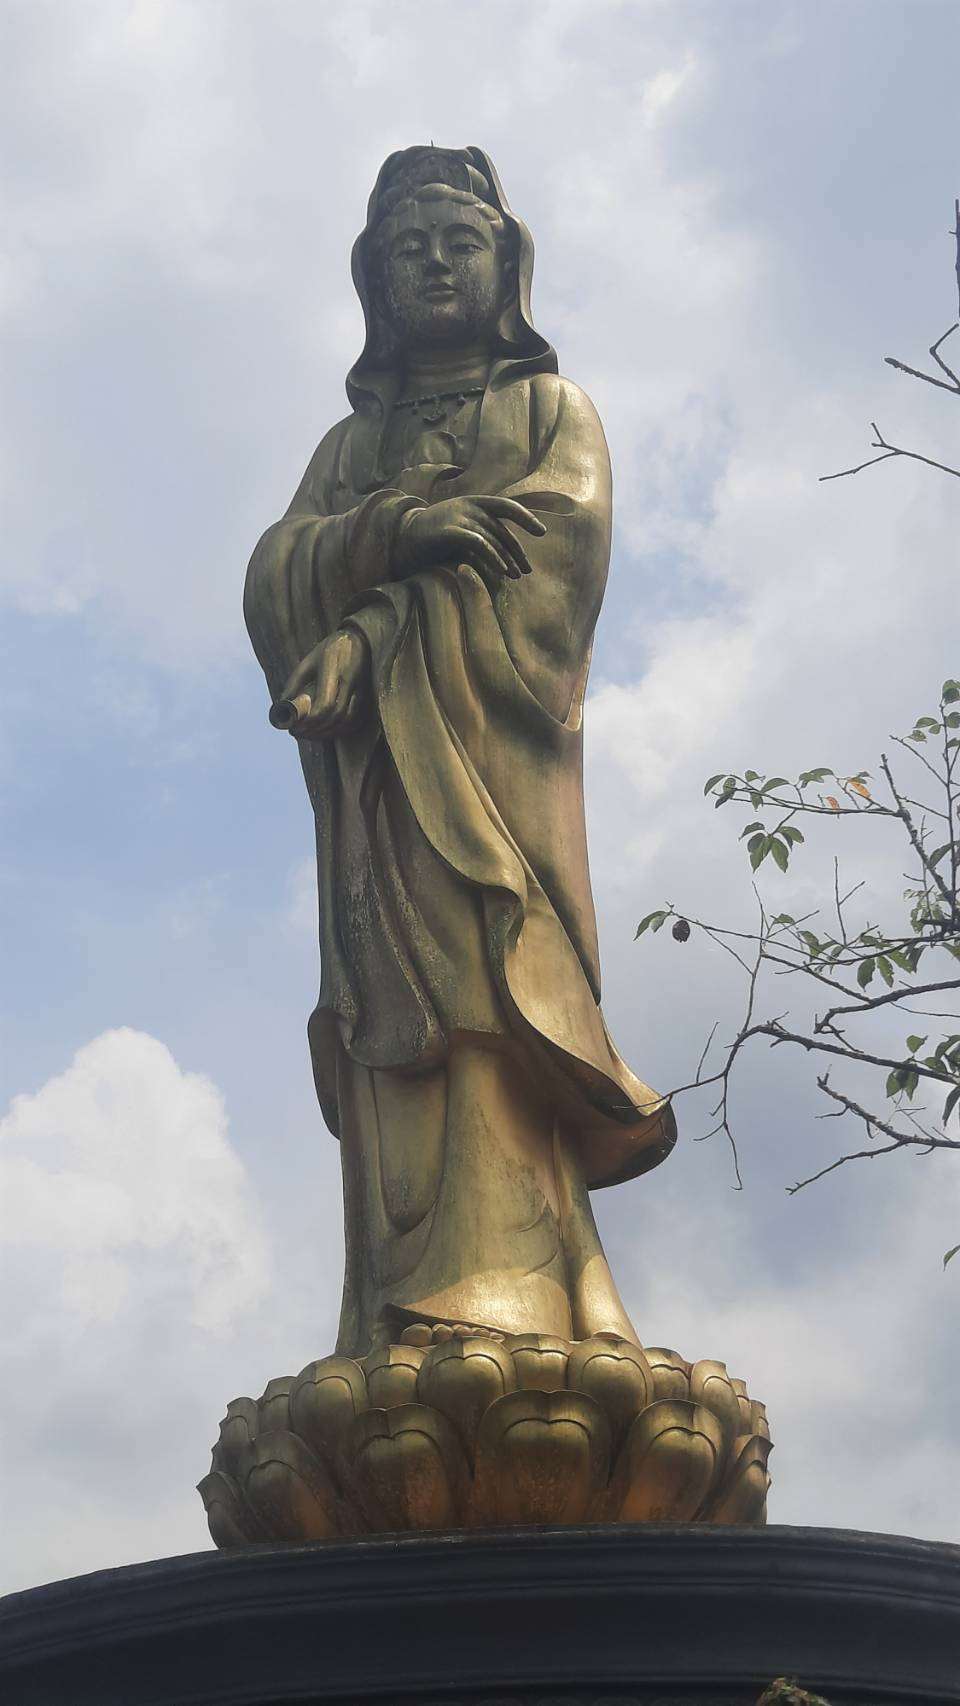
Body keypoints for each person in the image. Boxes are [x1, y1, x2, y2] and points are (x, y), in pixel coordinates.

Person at [244, 146, 675, 1357]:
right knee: (393, 1011)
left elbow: (546, 568)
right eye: (408, 248)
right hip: (380, 791)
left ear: (507, 263)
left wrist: (377, 618)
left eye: (458, 241)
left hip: (484, 782)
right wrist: (399, 530)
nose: (434, 264)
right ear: (373, 279)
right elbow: (276, 567)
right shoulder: (347, 447)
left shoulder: (547, 411)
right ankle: (396, 1301)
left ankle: (512, 1293)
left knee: (487, 989)